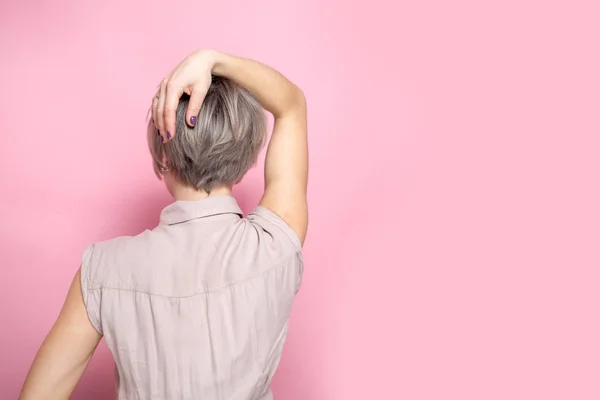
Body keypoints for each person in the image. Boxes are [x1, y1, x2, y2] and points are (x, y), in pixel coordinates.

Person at [19, 49, 308, 400]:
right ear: (246, 155)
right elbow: (291, 105)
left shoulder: (102, 271)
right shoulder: (273, 244)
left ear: (163, 154)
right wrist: (212, 60)